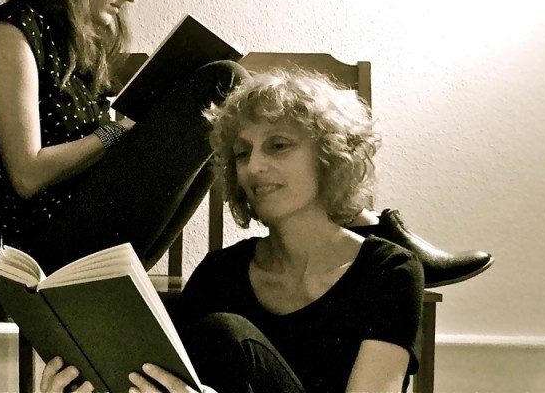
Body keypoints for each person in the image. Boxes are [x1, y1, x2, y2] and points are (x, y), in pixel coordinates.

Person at [42, 68, 425, 393]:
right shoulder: (219, 273)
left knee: (226, 333)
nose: (253, 167)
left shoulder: (388, 271)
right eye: (242, 153)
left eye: (278, 145)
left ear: (331, 156)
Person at [0, 0, 249, 275]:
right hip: (36, 241)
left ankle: (126, 272)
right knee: (223, 80)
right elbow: (27, 175)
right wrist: (115, 133)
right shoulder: (12, 31)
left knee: (225, 102)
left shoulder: (81, 42)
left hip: (83, 219)